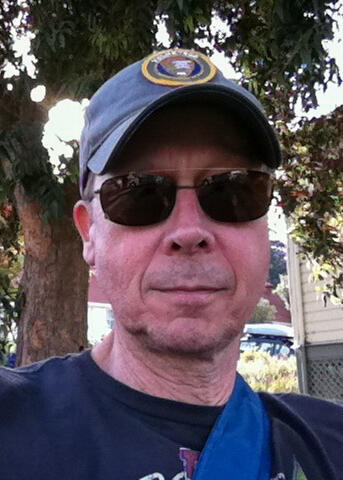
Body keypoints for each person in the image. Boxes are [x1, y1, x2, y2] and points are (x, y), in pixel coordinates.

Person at [0, 49, 342, 480]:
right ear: (89, 233)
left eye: (232, 190)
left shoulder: (331, 445)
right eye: (140, 192)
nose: (189, 230)